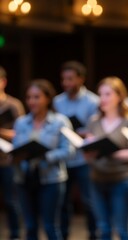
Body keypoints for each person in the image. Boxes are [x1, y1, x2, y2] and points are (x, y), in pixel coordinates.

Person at [13, 79, 75, 240]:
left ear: (47, 98)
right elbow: (15, 147)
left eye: (36, 97)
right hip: (25, 178)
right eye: (29, 97)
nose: (32, 101)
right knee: (30, 226)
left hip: (51, 179)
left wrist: (46, 155)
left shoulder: (60, 121)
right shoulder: (21, 122)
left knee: (50, 226)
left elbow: (69, 150)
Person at [84, 76, 128, 240]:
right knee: (103, 228)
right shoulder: (94, 121)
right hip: (97, 179)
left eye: (108, 94)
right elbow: (89, 154)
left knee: (122, 229)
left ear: (119, 96)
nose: (103, 99)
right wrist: (88, 152)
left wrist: (110, 152)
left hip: (121, 180)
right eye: (100, 94)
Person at [53, 60, 99, 240]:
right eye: (64, 79)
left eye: (70, 79)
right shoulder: (57, 101)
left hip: (83, 158)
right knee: (63, 202)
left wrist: (82, 132)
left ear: (81, 79)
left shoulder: (93, 101)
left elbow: (96, 129)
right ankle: (63, 234)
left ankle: (93, 234)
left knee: (89, 200)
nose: (66, 83)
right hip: (65, 158)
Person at [0, 65, 25, 240]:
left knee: (11, 200)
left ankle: (15, 234)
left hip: (7, 159)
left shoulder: (13, 104)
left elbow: (21, 133)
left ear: (3, 81)